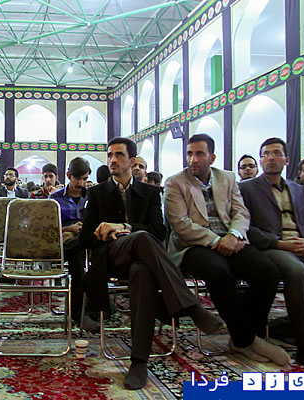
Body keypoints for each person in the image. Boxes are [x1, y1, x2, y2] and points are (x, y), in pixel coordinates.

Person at [81, 137, 223, 390]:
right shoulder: (97, 192)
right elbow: (85, 237)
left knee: (142, 271)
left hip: (144, 260)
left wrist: (124, 226)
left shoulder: (150, 193)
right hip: (111, 256)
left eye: (119, 155)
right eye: (110, 155)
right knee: (142, 237)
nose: (112, 160)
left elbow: (159, 232)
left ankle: (139, 362)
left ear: (132, 160)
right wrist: (107, 232)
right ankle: (190, 306)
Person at [164, 133, 289, 367]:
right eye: (189, 153)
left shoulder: (227, 178)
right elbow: (181, 225)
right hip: (193, 245)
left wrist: (233, 235)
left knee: (267, 271)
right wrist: (217, 241)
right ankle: (245, 340)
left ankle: (251, 335)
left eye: (199, 154)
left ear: (212, 157)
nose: (193, 159)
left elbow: (241, 213)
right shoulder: (175, 182)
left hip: (231, 239)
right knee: (219, 272)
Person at [238, 137, 304, 366]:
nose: (271, 158)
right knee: (298, 273)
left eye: (276, 153)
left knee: (300, 267)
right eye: (266, 154)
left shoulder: (298, 189)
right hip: (272, 247)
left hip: (303, 244)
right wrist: (281, 244)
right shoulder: (247, 189)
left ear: (286, 160)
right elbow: (247, 227)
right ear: (261, 160)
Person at [49, 157, 98, 332]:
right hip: (66, 239)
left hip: (88, 239)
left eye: (85, 179)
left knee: (79, 252)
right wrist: (69, 228)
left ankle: (80, 312)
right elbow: (48, 228)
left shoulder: (92, 197)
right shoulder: (55, 199)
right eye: (77, 179)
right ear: (69, 175)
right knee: (77, 257)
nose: (81, 183)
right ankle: (81, 312)